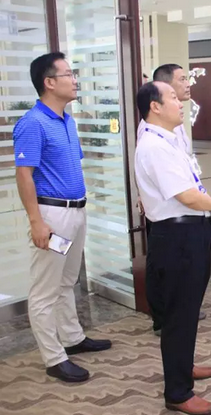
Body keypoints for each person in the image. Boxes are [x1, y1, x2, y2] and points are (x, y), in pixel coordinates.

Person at [14, 52, 111, 383]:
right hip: (52, 215)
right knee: (45, 290)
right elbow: (24, 175)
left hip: (75, 211)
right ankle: (54, 358)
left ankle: (72, 337)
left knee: (68, 281)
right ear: (49, 82)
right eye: (68, 74)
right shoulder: (32, 123)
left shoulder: (66, 120)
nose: (74, 80)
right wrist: (36, 222)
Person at [135, 81, 211, 415]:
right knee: (178, 315)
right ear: (155, 106)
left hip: (189, 231)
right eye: (173, 97)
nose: (180, 102)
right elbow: (185, 195)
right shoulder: (154, 146)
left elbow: (191, 185)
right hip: (176, 237)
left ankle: (183, 366)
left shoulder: (169, 139)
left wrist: (209, 209)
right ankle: (177, 392)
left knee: (187, 310)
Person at [136, 63, 205, 336]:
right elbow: (156, 172)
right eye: (181, 80)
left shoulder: (174, 125)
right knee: (163, 269)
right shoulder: (152, 133)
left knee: (184, 289)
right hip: (170, 213)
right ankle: (162, 317)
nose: (187, 84)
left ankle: (177, 313)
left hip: (186, 211)